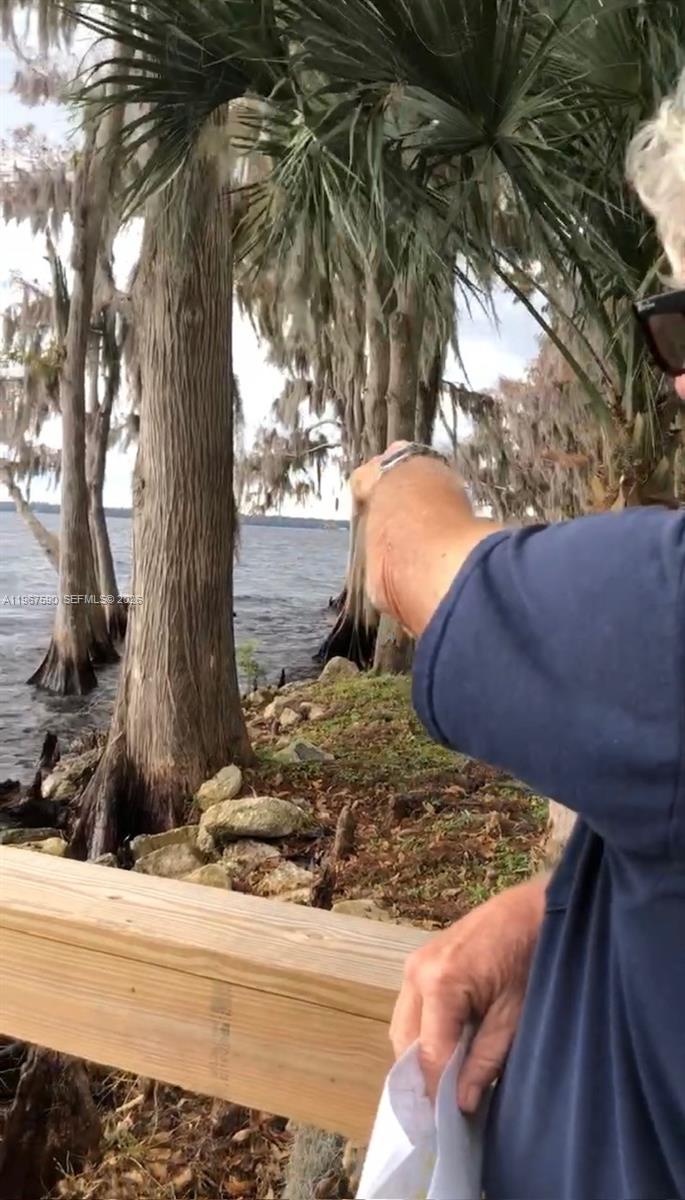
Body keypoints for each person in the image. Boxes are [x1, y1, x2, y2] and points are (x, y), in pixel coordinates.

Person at [351, 72, 685, 1200]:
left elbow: (412, 567)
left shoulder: (664, 621)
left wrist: (402, 468)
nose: (677, 383)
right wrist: (557, 913)